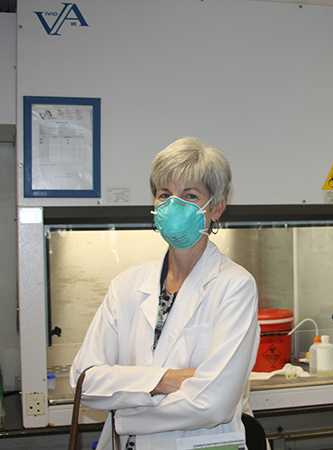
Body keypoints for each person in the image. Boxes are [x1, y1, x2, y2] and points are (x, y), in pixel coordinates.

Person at [70, 137, 260, 450]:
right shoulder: (127, 285)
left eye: (189, 196)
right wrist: (166, 380)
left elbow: (214, 403)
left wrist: (123, 415)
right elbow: (83, 381)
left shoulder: (234, 285)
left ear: (216, 208)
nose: (174, 206)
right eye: (164, 195)